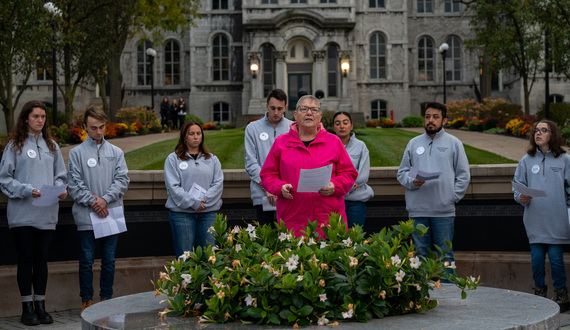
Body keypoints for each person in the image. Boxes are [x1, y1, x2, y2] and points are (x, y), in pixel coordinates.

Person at [0, 100, 67, 326]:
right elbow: (5, 179)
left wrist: (60, 190)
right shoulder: (14, 146)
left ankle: (41, 306)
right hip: (22, 213)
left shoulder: (52, 146)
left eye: (43, 117)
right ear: (26, 118)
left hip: (46, 213)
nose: (40, 120)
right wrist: (27, 190)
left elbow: (61, 175)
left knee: (41, 260)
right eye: (36, 116)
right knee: (26, 259)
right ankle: (26, 308)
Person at [260, 95, 358, 237]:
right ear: (295, 114)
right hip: (293, 221)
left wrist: (335, 186)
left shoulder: (334, 142)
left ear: (320, 116)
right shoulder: (281, 143)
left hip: (328, 221)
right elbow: (267, 175)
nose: (309, 113)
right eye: (304, 109)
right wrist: (279, 187)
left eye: (314, 110)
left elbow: (349, 173)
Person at [67, 107, 130, 313]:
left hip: (110, 214)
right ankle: (86, 300)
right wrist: (93, 202)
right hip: (86, 215)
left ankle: (106, 299)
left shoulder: (116, 152)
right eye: (93, 128)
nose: (99, 132)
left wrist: (105, 200)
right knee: (86, 260)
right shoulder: (76, 153)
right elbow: (74, 184)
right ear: (85, 127)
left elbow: (122, 180)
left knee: (109, 260)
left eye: (102, 127)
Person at [396, 102, 470, 273]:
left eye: (435, 117)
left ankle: (449, 295)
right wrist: (412, 181)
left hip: (443, 211)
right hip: (417, 210)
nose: (430, 120)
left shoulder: (454, 143)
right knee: (420, 255)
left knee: (446, 256)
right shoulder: (413, 143)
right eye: (428, 116)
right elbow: (402, 173)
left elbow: (463, 175)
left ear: (444, 121)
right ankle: (423, 296)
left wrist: (452, 197)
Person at [513, 120, 570, 311]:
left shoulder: (564, 159)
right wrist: (521, 197)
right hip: (534, 221)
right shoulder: (526, 161)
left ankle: (562, 295)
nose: (538, 133)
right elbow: (516, 187)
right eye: (536, 130)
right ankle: (540, 293)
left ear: (552, 135)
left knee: (556, 260)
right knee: (537, 260)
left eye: (543, 130)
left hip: (557, 221)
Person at [164, 120, 224, 258]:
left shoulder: (212, 159)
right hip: (182, 214)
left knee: (208, 258)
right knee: (185, 258)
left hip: (208, 213)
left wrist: (204, 202)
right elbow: (173, 187)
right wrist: (194, 202)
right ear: (184, 136)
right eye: (191, 134)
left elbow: (218, 183)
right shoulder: (173, 159)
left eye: (198, 133)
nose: (196, 137)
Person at [244, 89, 293, 226]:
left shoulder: (293, 128)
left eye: (279, 108)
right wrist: (268, 187)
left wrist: (280, 188)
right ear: (266, 106)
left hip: (287, 193)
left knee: (287, 239)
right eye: (272, 108)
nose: (276, 112)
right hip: (262, 194)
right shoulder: (253, 128)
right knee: (266, 239)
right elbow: (251, 162)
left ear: (285, 108)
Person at [332, 111, 374, 228]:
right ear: (333, 127)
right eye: (338, 123)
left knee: (354, 239)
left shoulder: (361, 146)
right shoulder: (329, 146)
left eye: (345, 123)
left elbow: (363, 175)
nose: (342, 126)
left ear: (351, 126)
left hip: (356, 201)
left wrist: (347, 187)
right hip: (334, 201)